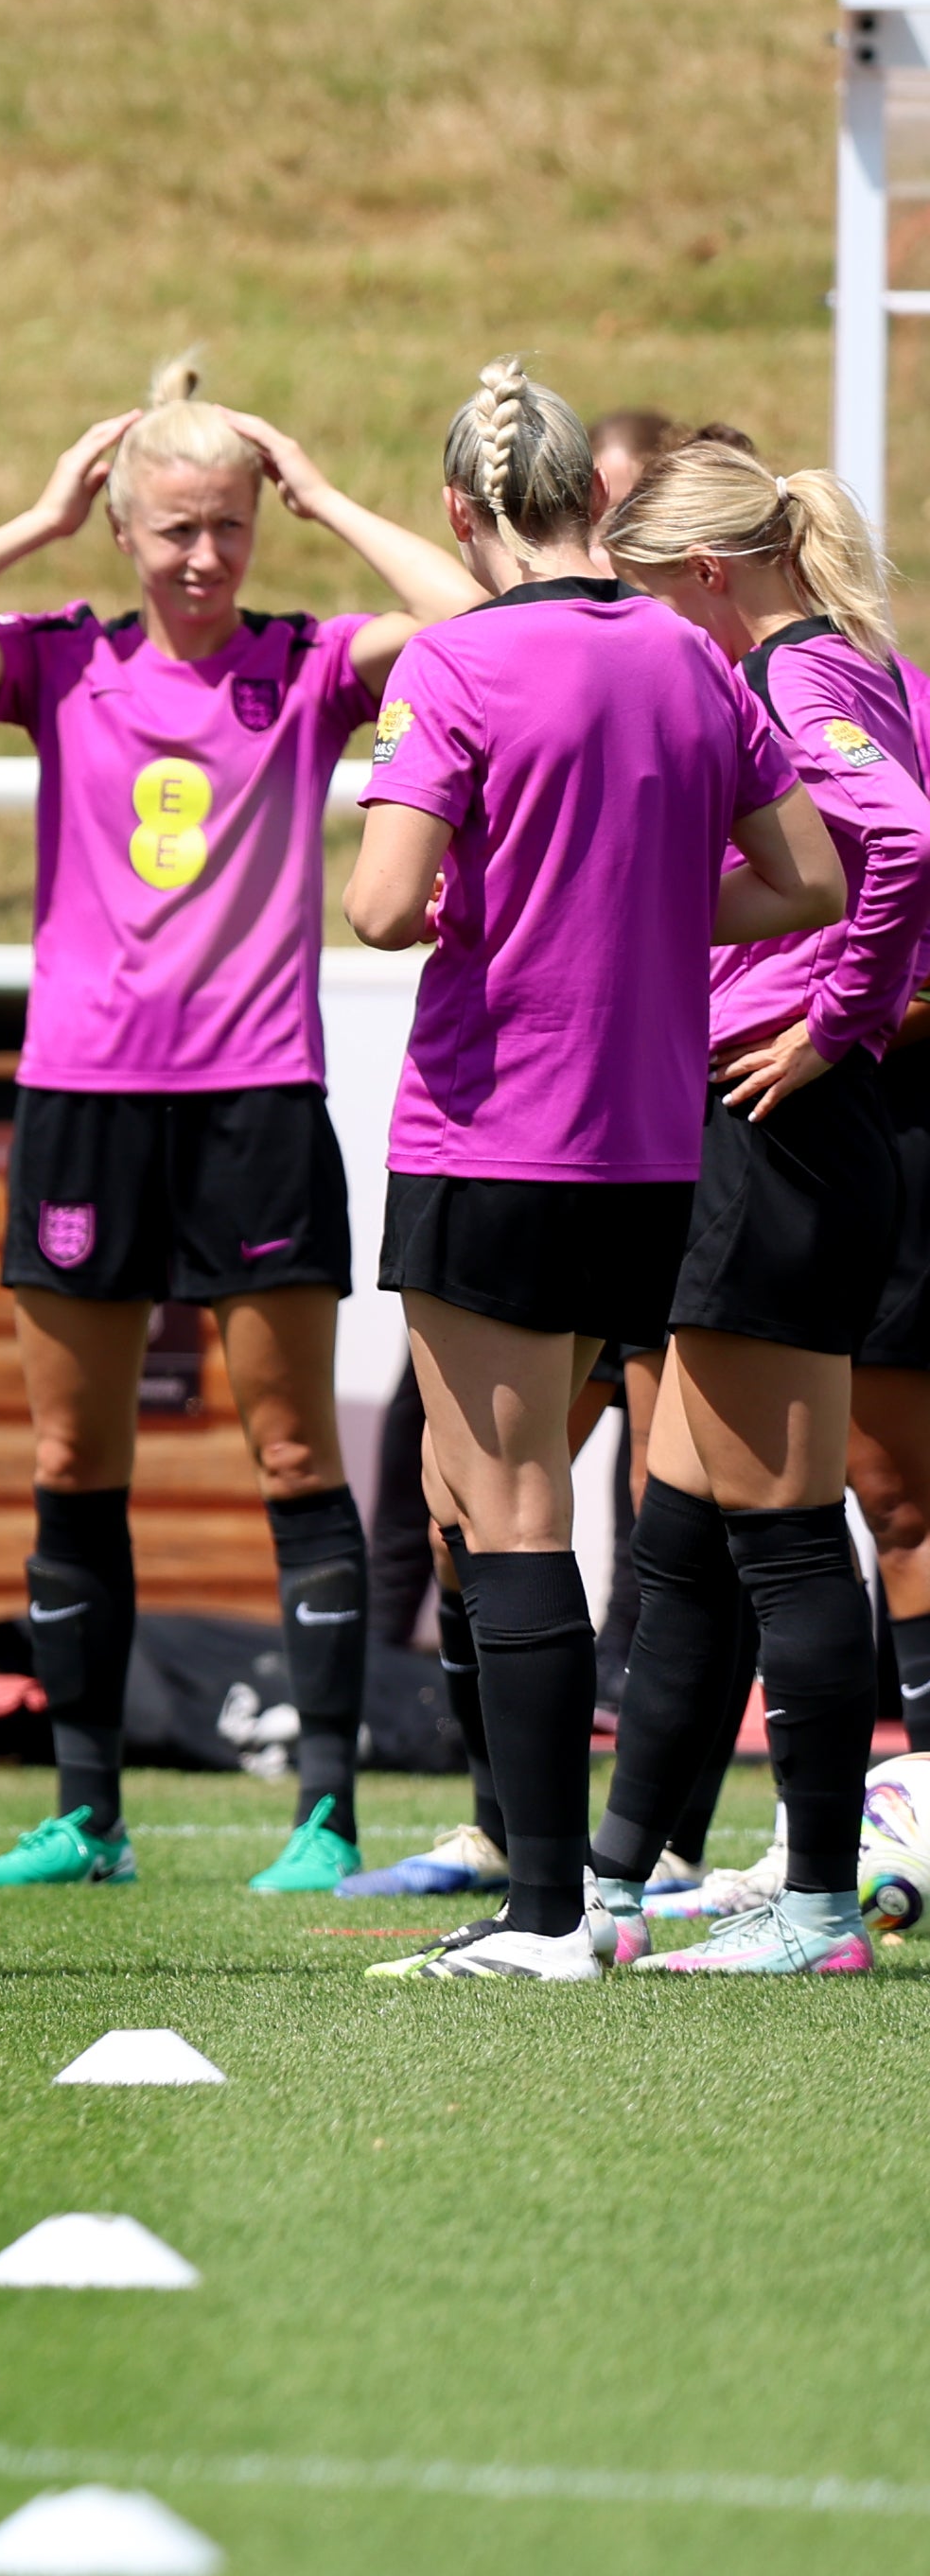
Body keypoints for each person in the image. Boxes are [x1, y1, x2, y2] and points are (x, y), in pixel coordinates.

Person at [0, 363, 481, 1900]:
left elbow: (469, 617)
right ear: (124, 532)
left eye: (230, 526)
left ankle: (325, 1813)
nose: (204, 557)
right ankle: (87, 1816)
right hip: (82, 1105)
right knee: (75, 1456)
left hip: (255, 1103)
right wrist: (40, 513)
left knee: (291, 1453)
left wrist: (322, 492)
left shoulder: (307, 663)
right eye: (175, 529)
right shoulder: (64, 662)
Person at [342, 359, 835, 1982]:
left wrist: (501, 902)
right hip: (646, 1146)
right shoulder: (693, 660)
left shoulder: (456, 661)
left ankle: (548, 1910)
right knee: (561, 1505)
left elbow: (380, 905)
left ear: (460, 512)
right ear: (595, 501)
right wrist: (639, 911)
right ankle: (578, 1893)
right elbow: (807, 879)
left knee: (503, 1511)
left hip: (495, 1128)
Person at [587, 442, 923, 1971]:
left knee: (783, 1540)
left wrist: (836, 1022)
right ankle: (604, 1893)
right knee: (678, 1535)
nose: (639, 626)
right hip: (761, 1126)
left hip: (779, 1126)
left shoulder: (796, 681)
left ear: (708, 575)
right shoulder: (840, 665)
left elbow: (906, 842)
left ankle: (817, 1909)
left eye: (647, 594)